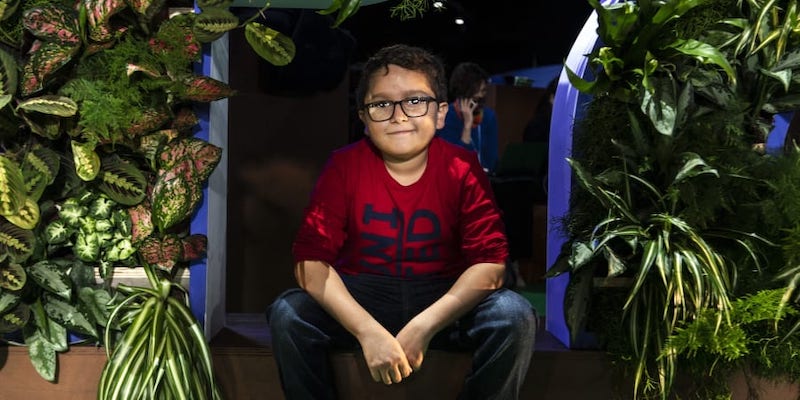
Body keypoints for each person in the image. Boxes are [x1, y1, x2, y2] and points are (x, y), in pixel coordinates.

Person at [266, 44, 537, 400]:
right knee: (288, 313)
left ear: (441, 114)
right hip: (363, 295)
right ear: (363, 118)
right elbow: (309, 265)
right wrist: (367, 331)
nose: (398, 115)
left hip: (445, 298)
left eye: (414, 101)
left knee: (513, 315)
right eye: (381, 104)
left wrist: (424, 326)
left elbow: (490, 266)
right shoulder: (344, 166)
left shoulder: (462, 167)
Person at [436, 62, 499, 173]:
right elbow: (452, 162)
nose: (480, 97)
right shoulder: (447, 116)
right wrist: (467, 127)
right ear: (463, 93)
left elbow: (492, 162)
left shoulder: (489, 117)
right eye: (475, 95)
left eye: (483, 91)